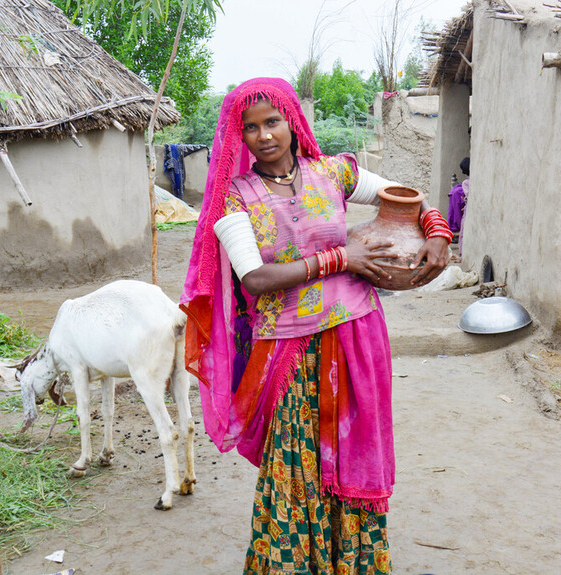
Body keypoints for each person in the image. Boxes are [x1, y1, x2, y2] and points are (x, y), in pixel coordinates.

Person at [180, 78, 451, 574]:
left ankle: (354, 563)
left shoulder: (334, 172)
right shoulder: (235, 197)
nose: (264, 136)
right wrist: (340, 257)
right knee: (293, 463)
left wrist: (437, 229)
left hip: (357, 335)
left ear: (292, 121)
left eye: (273, 122)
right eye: (251, 128)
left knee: (353, 453)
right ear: (238, 137)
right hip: (288, 351)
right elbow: (256, 278)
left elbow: (406, 199)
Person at [447, 157, 470, 252]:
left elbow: (468, 196)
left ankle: (461, 255)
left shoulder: (465, 183)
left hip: (467, 209)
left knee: (463, 234)